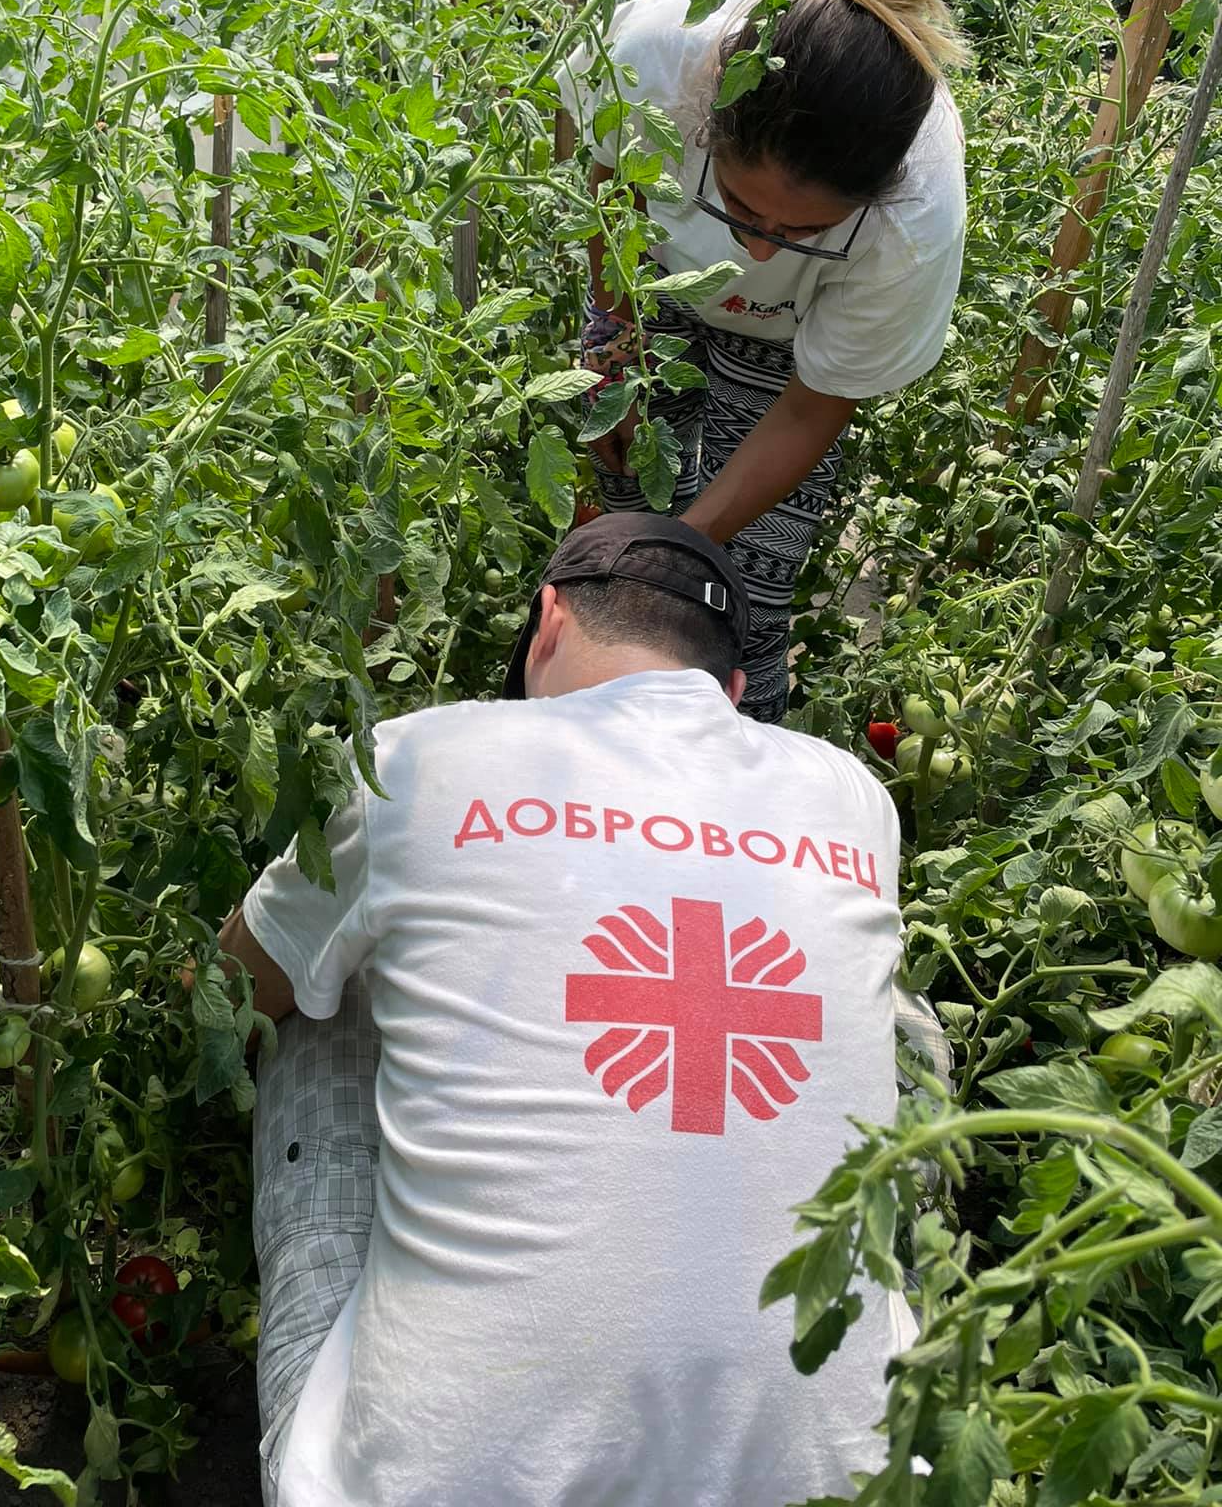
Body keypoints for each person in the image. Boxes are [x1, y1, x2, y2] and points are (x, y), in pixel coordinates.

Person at [220, 513, 942, 1507]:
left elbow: (231, 994)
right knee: (894, 1011)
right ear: (733, 695)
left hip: (431, 1485)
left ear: (548, 621)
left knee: (316, 994)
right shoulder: (855, 795)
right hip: (846, 1484)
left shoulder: (416, 753)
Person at [571, 0, 969, 723]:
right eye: (742, 212)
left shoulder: (918, 215)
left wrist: (682, 549)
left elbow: (812, 404)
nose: (757, 251)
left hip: (794, 347)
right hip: (657, 291)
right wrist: (616, 340)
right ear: (705, 126)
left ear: (871, 204)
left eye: (804, 230)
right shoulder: (653, 55)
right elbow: (612, 193)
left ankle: (736, 749)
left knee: (740, 578)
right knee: (618, 493)